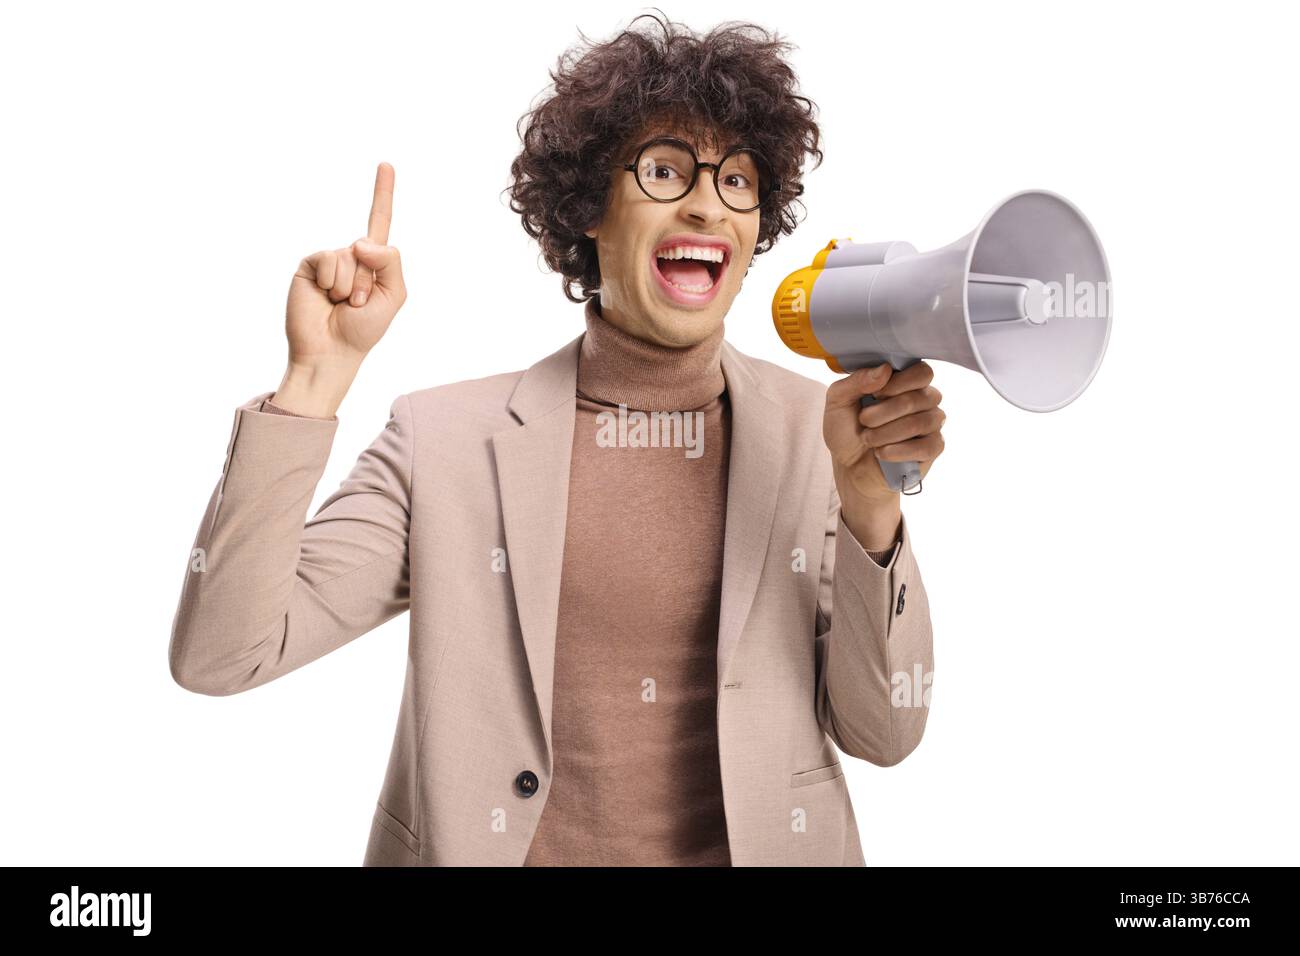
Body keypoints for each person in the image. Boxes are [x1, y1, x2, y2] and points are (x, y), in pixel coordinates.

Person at [169, 13, 944, 866]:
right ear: (588, 211)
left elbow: (886, 734)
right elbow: (222, 656)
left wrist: (873, 510)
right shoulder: (445, 441)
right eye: (664, 170)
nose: (705, 202)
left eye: (737, 180)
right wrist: (313, 385)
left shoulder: (818, 433)